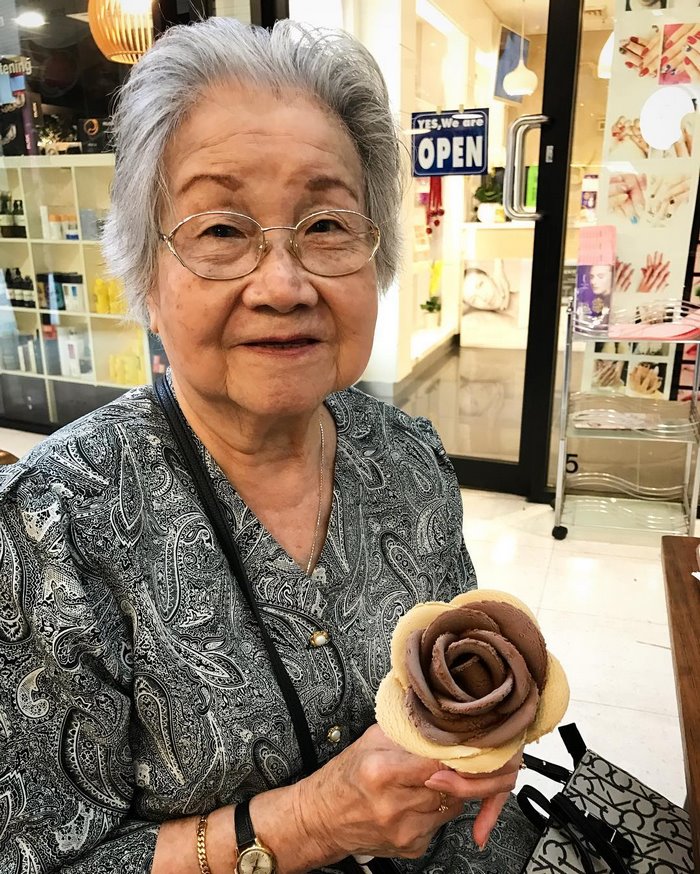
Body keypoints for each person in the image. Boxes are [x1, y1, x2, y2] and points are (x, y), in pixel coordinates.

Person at [0, 18, 536, 874]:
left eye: (327, 225)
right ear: (145, 269)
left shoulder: (410, 460)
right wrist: (313, 824)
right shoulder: (50, 528)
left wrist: (479, 748)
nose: (283, 286)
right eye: (220, 231)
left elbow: (453, 691)